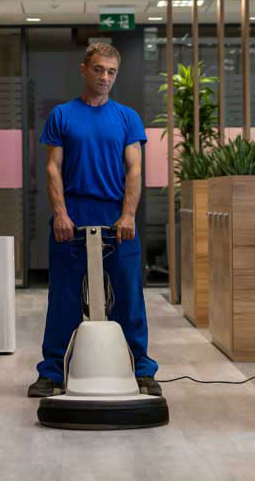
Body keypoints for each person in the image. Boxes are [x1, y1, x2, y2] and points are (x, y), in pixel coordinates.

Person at [27, 43, 161, 398]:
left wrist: (128, 214)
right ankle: (52, 371)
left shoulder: (127, 117)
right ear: (83, 69)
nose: (105, 77)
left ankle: (143, 370)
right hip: (72, 214)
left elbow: (134, 169)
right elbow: (52, 168)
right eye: (99, 69)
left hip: (117, 216)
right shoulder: (62, 115)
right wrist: (60, 214)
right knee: (64, 297)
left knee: (129, 296)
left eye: (112, 72)